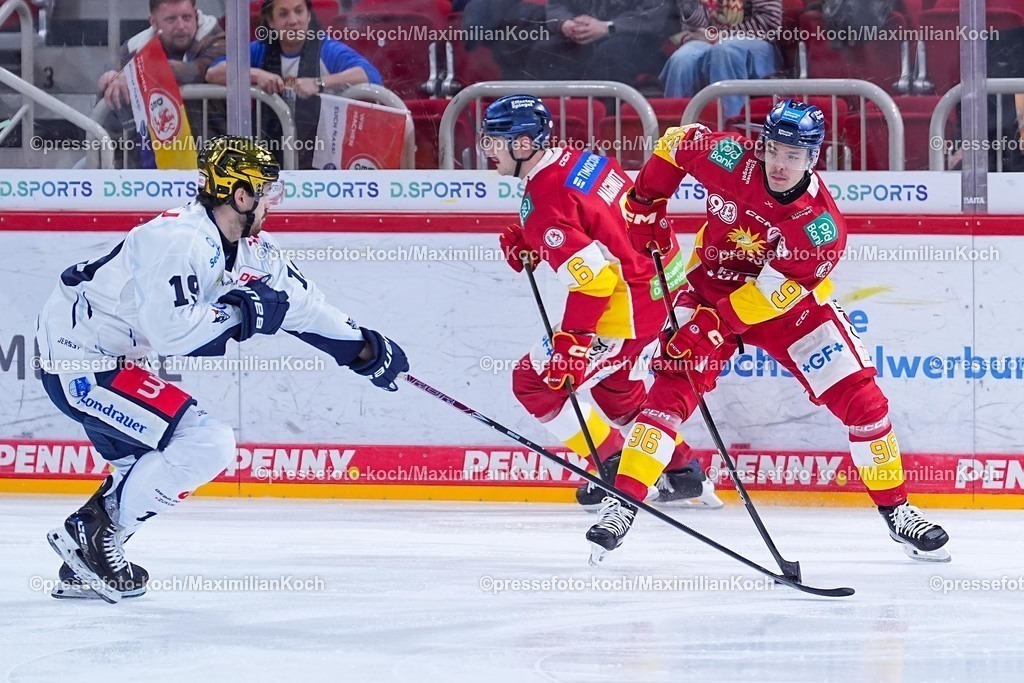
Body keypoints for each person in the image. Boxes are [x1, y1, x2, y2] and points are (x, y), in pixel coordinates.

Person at [38, 136, 409, 602]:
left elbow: (299, 306)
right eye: (267, 190)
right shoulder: (178, 241)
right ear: (240, 195)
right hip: (78, 358)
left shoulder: (256, 249)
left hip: (115, 359)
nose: (273, 201)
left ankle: (84, 558)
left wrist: (361, 349)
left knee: (143, 470)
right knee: (206, 443)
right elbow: (173, 333)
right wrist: (241, 314)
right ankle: (91, 536)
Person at [584, 99, 951, 565]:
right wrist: (645, 203)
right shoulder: (730, 158)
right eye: (774, 149)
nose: (779, 163)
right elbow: (676, 143)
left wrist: (710, 327)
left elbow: (773, 295)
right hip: (709, 291)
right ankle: (622, 505)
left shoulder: (819, 227)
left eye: (793, 155)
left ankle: (898, 512)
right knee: (668, 394)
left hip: (787, 310)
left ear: (813, 157)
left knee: (864, 403)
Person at [480, 95, 722, 512]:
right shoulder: (581, 159)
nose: (488, 150)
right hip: (661, 286)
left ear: (522, 144)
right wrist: (538, 240)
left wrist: (573, 344)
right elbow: (608, 221)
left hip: (627, 310)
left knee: (533, 382)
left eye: (494, 141)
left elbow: (594, 281)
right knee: (617, 391)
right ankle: (683, 472)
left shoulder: (544, 199)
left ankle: (611, 465)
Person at [206, 0, 382, 168]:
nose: (293, 20)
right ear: (271, 21)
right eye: (283, 14)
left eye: (299, 11)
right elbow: (213, 73)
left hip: (322, 162)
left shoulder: (327, 49)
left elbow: (370, 75)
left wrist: (319, 82)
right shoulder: (261, 49)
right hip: (270, 159)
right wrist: (256, 75)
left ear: (308, 15)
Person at [98, 0, 226, 141]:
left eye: (187, 17)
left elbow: (198, 70)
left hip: (213, 145)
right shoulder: (135, 46)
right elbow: (117, 70)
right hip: (154, 148)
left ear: (195, 14)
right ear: (153, 22)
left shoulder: (217, 39)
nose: (181, 26)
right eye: (171, 19)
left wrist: (138, 71)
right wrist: (111, 78)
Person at [661, 0, 782, 118]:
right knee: (683, 59)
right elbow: (700, 28)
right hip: (712, 39)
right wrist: (690, 7)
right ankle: (676, 127)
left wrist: (721, 36)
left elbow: (769, 22)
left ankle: (730, 127)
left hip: (757, 40)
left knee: (725, 51)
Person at [525, 0, 675, 85]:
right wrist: (565, 23)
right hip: (582, 34)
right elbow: (557, 6)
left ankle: (611, 123)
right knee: (545, 50)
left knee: (611, 51)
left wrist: (607, 27)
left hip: (636, 38)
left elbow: (653, 17)